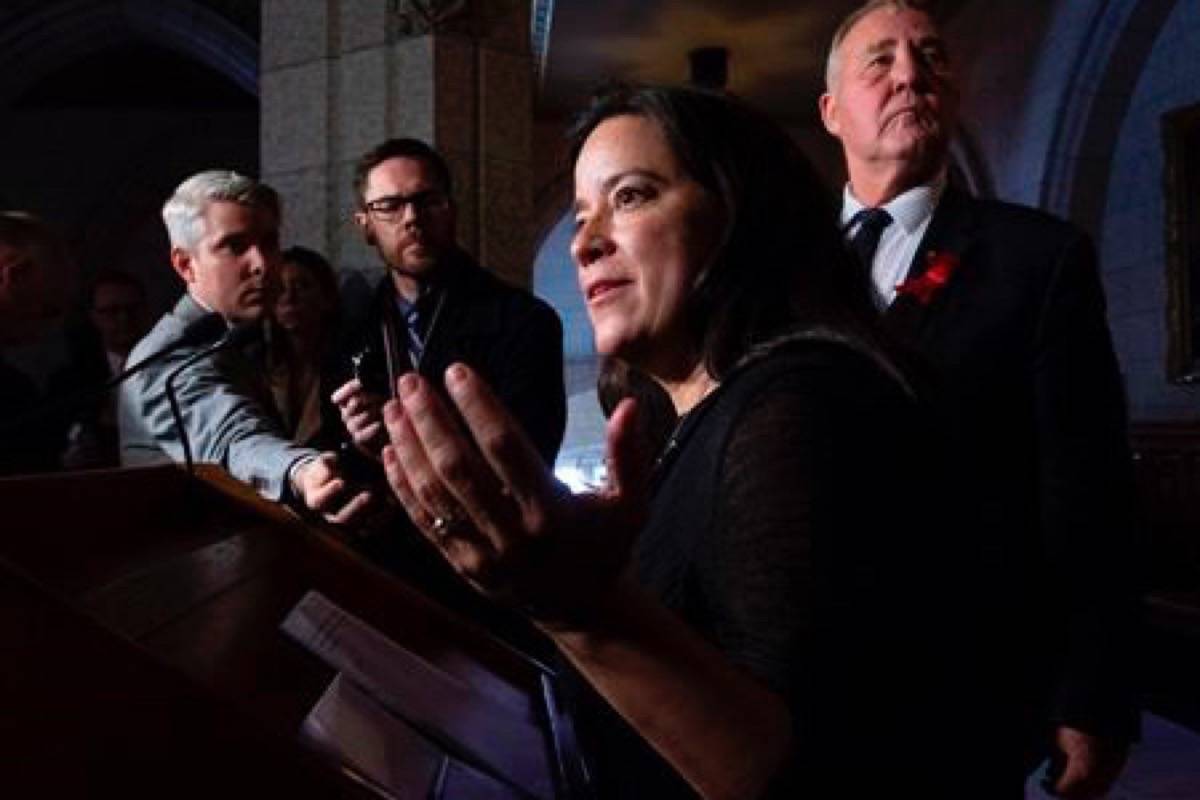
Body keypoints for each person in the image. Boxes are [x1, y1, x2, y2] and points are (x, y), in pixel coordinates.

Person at [378, 84, 974, 797]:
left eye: (630, 196)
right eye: (581, 214)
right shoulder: (703, 412)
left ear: (736, 212)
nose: (585, 241)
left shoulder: (799, 408)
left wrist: (576, 607)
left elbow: (807, 772)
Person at [819, 2, 1140, 796]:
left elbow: (1089, 492)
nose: (910, 75)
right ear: (831, 110)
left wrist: (1093, 694)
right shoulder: (781, 267)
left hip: (961, 683)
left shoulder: (1037, 259)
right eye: (880, 61)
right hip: (801, 677)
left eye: (931, 58)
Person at [118, 170, 368, 525]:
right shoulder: (169, 358)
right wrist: (301, 470)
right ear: (185, 264)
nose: (263, 265)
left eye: (268, 242)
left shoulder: (238, 338)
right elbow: (232, 438)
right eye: (235, 246)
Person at [332, 137, 566, 469]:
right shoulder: (348, 328)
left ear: (451, 211)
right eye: (389, 206)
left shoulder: (525, 322)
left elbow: (530, 459)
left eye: (428, 201)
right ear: (365, 226)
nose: (412, 217)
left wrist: (403, 437)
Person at [52, 268, 150, 469]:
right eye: (111, 311)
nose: (124, 319)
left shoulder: (177, 370)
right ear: (94, 317)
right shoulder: (69, 381)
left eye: (132, 309)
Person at [0, 211, 74, 475]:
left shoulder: (15, 387)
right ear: (14, 276)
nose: (49, 329)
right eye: (49, 310)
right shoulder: (14, 392)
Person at [268, 245, 342, 450]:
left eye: (302, 286)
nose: (289, 298)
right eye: (279, 288)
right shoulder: (259, 368)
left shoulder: (345, 367)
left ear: (326, 297)